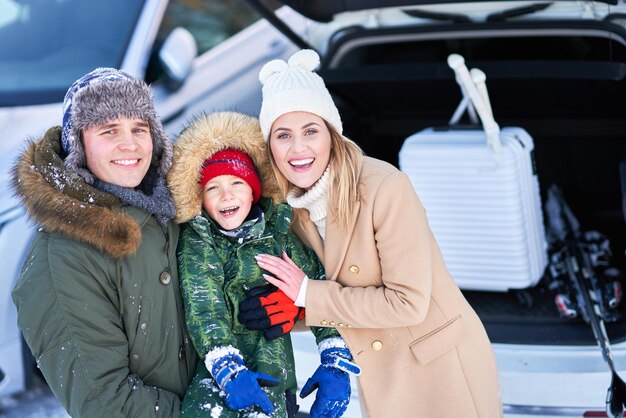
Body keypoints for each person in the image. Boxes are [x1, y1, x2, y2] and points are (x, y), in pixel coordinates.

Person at [238, 49, 503, 417]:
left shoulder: (384, 188)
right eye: (283, 135)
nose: (298, 149)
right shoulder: (291, 207)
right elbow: (330, 294)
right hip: (383, 375)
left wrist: (305, 295)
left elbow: (407, 302)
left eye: (310, 131)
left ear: (331, 134)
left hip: (439, 367)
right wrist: (292, 311)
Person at [11, 68, 198, 417]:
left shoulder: (170, 212)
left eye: (139, 129)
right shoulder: (64, 257)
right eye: (109, 130)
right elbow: (105, 403)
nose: (129, 144)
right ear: (79, 146)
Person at [166, 111, 361, 418]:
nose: (226, 194)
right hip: (220, 381)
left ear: (254, 190)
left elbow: (317, 283)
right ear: (200, 198)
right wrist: (226, 366)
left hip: (277, 370)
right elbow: (204, 307)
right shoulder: (200, 241)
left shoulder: (278, 232)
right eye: (212, 187)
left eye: (236, 183)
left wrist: (333, 354)